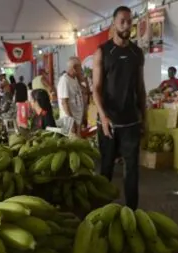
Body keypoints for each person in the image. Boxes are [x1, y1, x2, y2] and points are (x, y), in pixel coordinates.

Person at [92, 5, 146, 210]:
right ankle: (101, 212)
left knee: (132, 170)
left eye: (129, 21)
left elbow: (140, 88)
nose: (126, 25)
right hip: (109, 123)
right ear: (114, 23)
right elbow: (96, 89)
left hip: (131, 121)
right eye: (122, 21)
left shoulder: (137, 52)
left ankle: (132, 212)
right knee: (105, 169)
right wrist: (103, 118)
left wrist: (145, 119)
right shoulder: (103, 52)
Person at [57, 57, 85, 135]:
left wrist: (82, 79)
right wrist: (71, 122)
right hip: (70, 122)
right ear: (75, 67)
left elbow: (85, 91)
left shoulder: (74, 78)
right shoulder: (64, 80)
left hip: (77, 119)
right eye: (80, 66)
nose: (81, 69)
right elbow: (64, 103)